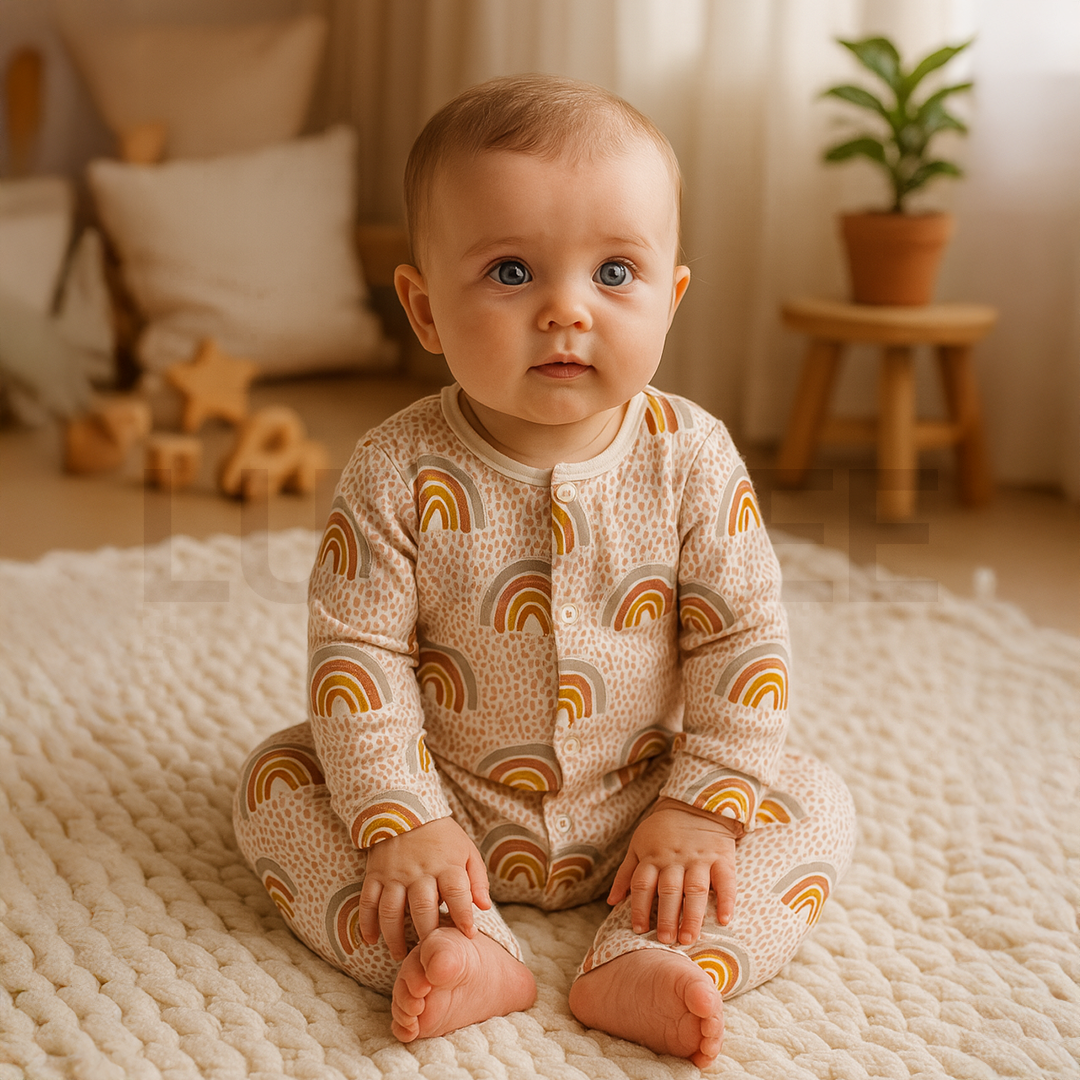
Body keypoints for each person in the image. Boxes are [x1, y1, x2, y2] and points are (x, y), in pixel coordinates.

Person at [233, 73, 856, 1067]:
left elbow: (744, 641)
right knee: (276, 781)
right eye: (513, 273)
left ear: (672, 298)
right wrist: (401, 819)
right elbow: (357, 656)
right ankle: (455, 944)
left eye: (615, 274)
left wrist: (701, 804)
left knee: (812, 799)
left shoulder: (691, 457)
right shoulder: (396, 468)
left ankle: (657, 949)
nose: (569, 311)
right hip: (452, 804)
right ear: (425, 308)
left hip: (641, 806)